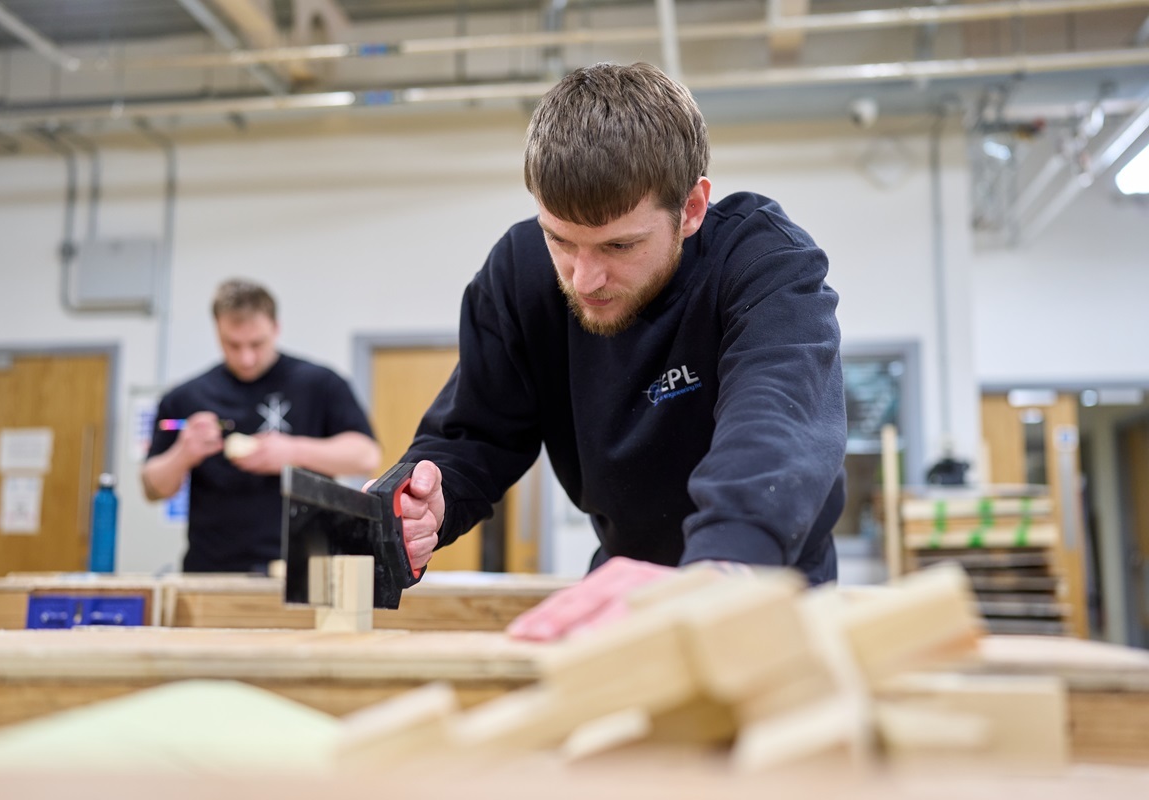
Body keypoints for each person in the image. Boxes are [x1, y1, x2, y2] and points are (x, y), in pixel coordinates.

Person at [390, 62, 847, 639]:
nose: (584, 279)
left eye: (619, 245)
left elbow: (776, 423)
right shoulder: (520, 273)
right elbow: (476, 433)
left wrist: (722, 565)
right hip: (626, 586)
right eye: (560, 239)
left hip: (760, 583)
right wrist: (433, 500)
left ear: (692, 210)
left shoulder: (763, 264)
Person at [143, 279, 381, 573]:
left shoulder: (319, 384)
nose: (246, 358)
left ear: (275, 328)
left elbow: (366, 455)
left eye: (257, 343)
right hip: (213, 570)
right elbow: (152, 489)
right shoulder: (186, 397)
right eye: (233, 345)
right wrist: (183, 453)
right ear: (217, 329)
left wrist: (292, 451)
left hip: (304, 568)